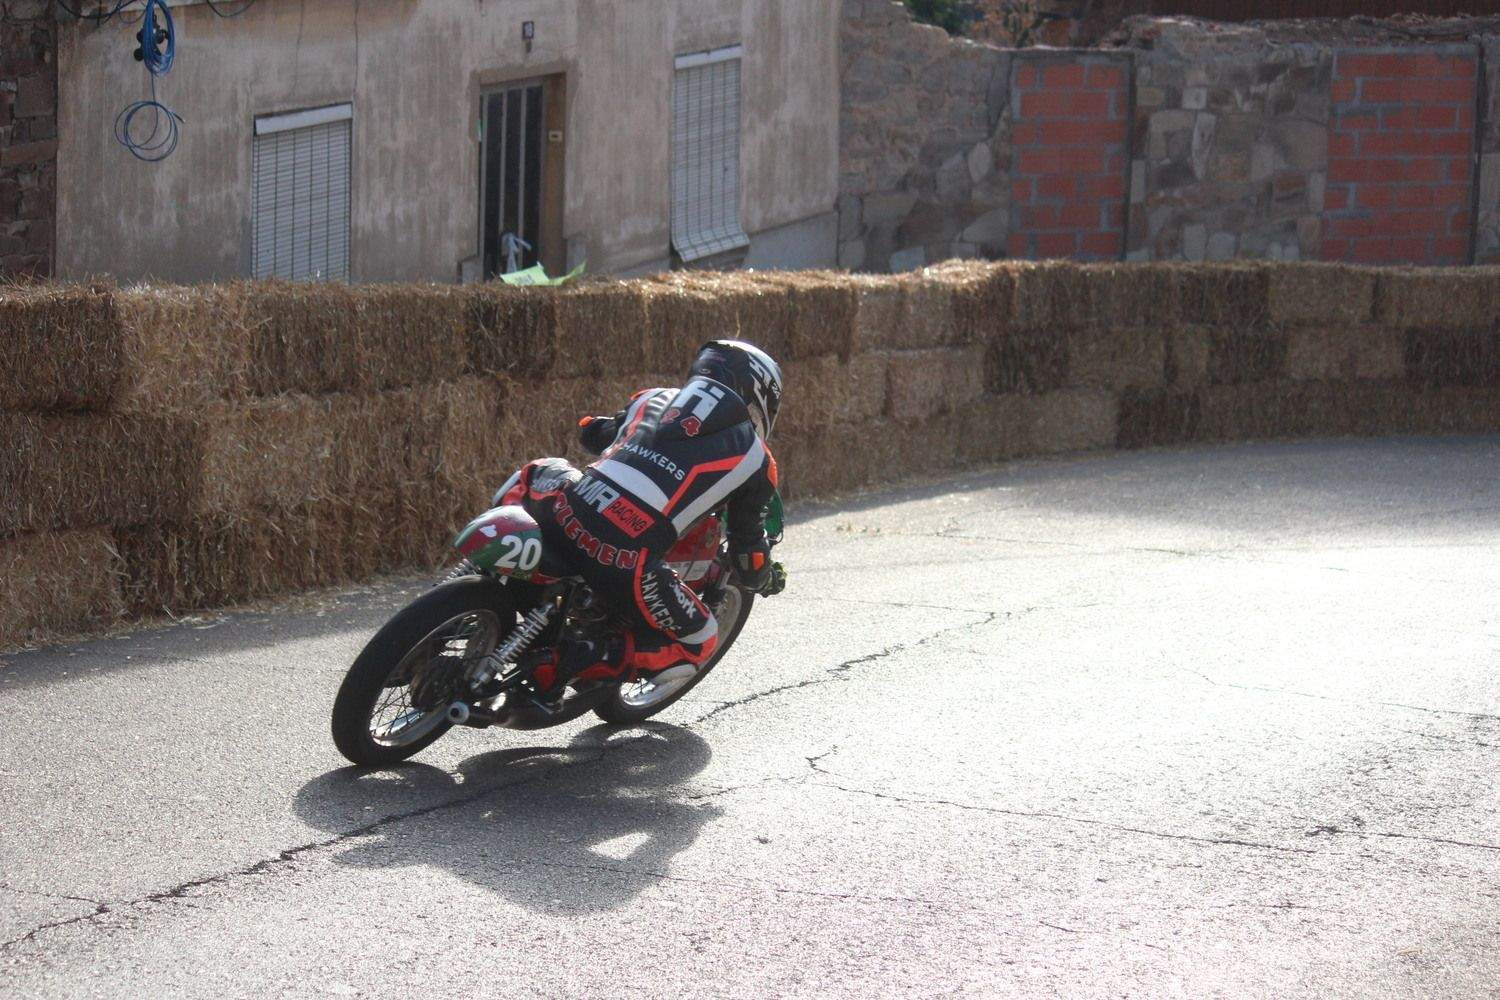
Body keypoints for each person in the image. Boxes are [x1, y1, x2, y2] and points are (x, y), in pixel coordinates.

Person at [502, 340, 788, 707]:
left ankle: (485, 574)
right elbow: (748, 550)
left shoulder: (651, 397)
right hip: (623, 555)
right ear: (761, 396)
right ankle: (561, 663)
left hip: (564, 508)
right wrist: (763, 577)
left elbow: (591, 433)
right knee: (700, 641)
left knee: (543, 468)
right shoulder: (758, 459)